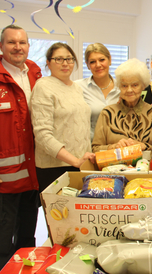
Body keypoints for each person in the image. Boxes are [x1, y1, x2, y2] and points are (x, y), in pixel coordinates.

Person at [0, 25, 41, 273]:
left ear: (28, 45)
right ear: (1, 46)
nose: (18, 47)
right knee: (3, 242)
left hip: (31, 177)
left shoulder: (35, 75)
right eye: (12, 42)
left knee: (27, 239)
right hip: (1, 180)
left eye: (22, 42)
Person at [30, 43, 95, 195]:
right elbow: (42, 135)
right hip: (55, 168)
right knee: (61, 217)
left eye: (69, 59)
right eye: (59, 59)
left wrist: (81, 162)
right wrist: (75, 161)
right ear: (48, 62)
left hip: (80, 165)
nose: (65, 63)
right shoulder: (43, 87)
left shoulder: (76, 88)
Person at [92, 58, 152, 152]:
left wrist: (145, 146)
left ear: (143, 86)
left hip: (146, 165)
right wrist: (113, 147)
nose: (129, 90)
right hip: (114, 166)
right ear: (119, 86)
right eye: (124, 85)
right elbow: (95, 149)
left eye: (135, 85)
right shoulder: (107, 113)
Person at [75, 43, 120, 141]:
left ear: (110, 60)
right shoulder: (78, 87)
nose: (98, 65)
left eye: (102, 60)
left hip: (119, 147)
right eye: (92, 62)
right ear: (87, 65)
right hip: (91, 147)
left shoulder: (123, 87)